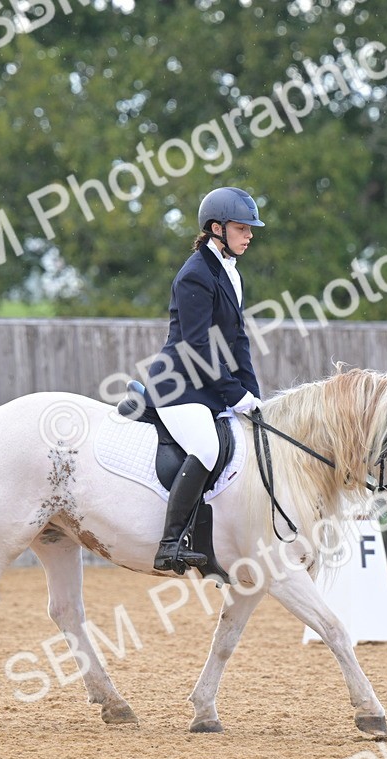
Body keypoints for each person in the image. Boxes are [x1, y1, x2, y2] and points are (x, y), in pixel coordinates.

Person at [147, 187, 265, 572]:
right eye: (242, 228)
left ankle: (211, 543)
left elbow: (238, 342)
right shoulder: (195, 274)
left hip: (205, 385)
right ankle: (170, 544)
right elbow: (197, 347)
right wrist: (233, 393)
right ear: (217, 228)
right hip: (178, 385)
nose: (249, 235)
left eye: (250, 229)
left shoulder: (230, 272)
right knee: (208, 446)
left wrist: (252, 395)